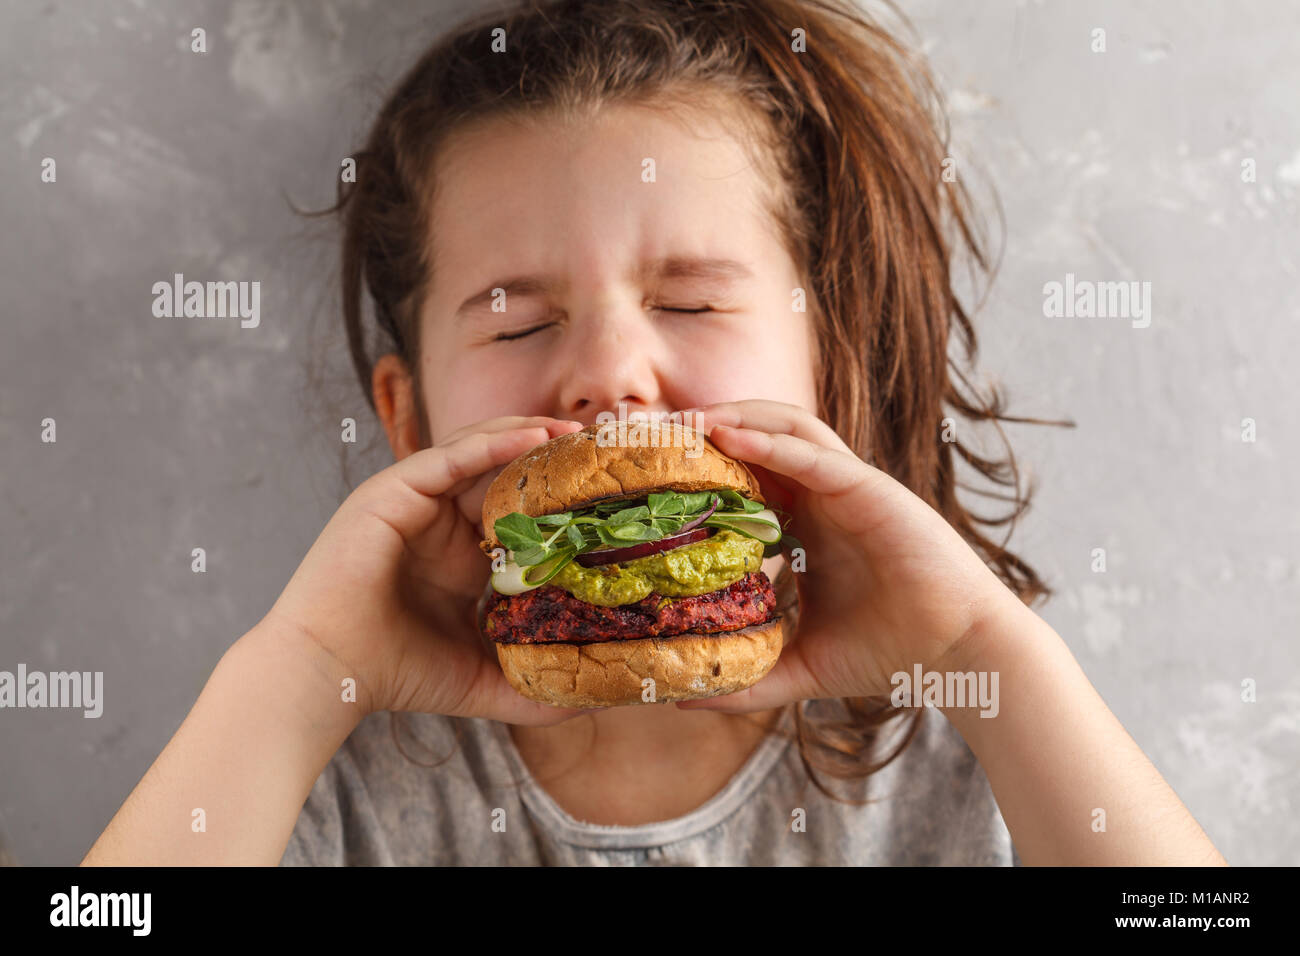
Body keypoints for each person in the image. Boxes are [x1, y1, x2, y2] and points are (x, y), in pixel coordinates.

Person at [82, 0, 1226, 866]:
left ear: (820, 363)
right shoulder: (324, 775)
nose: (611, 374)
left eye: (689, 303)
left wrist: (986, 648)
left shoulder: (952, 743)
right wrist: (302, 673)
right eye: (519, 319)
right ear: (407, 414)